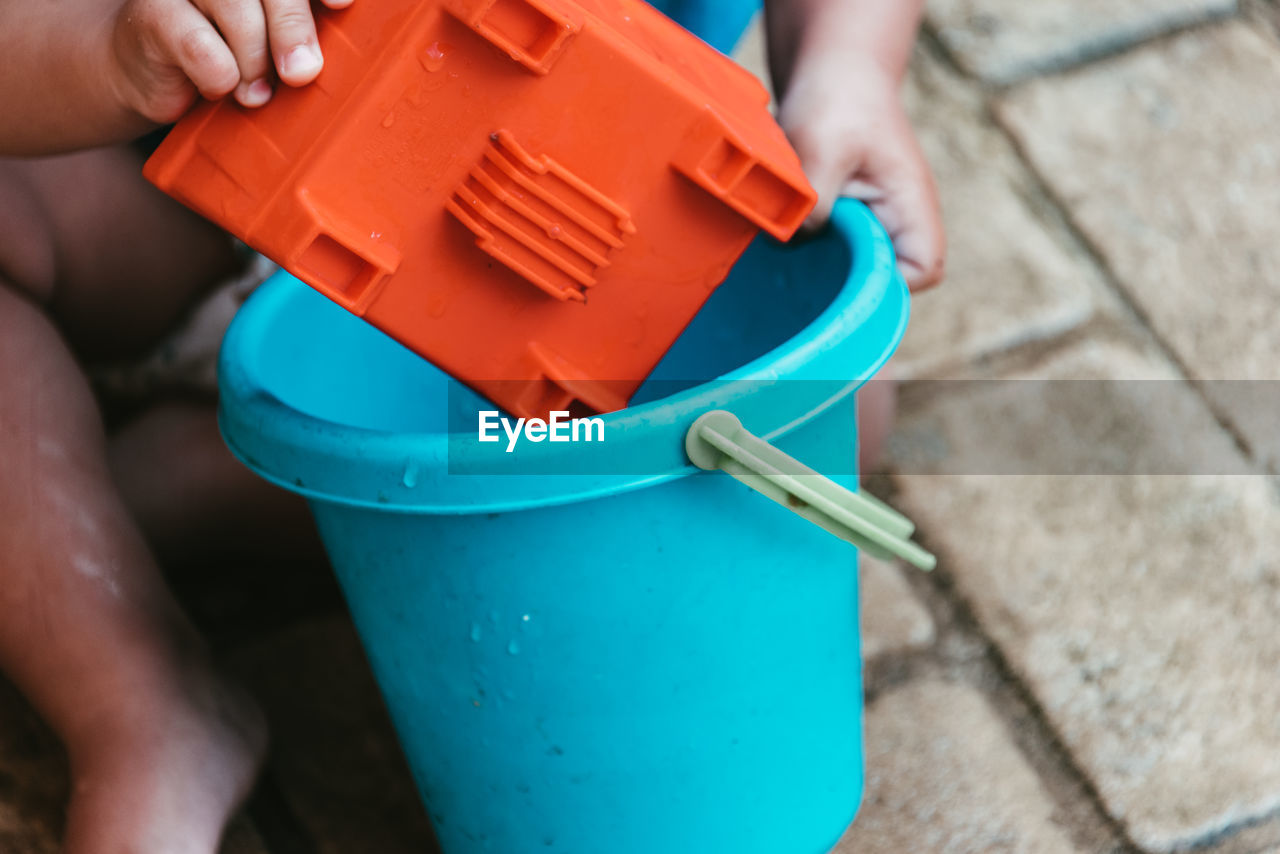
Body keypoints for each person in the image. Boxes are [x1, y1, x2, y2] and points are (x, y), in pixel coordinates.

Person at [0, 0, 942, 850]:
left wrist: (846, 64)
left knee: (832, 420)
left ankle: (195, 485)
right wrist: (110, 58)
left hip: (559, 266)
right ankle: (138, 697)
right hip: (171, 209)